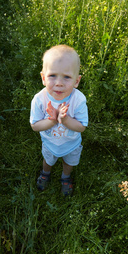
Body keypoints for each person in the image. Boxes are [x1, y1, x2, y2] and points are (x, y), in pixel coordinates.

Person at [30, 45, 88, 196]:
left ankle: (65, 177)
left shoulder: (79, 99)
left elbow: (81, 127)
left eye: (67, 77)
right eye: (52, 76)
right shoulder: (39, 99)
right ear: (43, 78)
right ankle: (45, 173)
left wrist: (65, 119)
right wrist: (54, 120)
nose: (59, 83)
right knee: (48, 160)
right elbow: (35, 126)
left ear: (77, 81)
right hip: (50, 142)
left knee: (69, 162)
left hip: (71, 143)